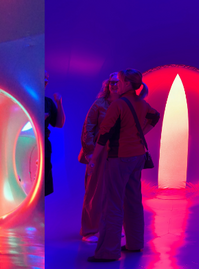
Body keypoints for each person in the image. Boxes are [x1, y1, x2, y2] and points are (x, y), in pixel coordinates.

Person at [88, 69, 160, 263]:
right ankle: (135, 243)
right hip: (137, 157)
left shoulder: (118, 104)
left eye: (119, 81)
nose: (116, 84)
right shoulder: (142, 103)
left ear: (128, 84)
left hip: (119, 157)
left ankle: (107, 252)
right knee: (134, 199)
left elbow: (104, 133)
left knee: (112, 203)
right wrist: (142, 132)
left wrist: (94, 158)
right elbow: (155, 116)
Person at [80, 75, 118, 242]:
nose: (115, 85)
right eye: (112, 82)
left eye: (119, 81)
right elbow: (88, 128)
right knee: (94, 191)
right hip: (99, 152)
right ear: (107, 85)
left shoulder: (124, 104)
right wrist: (90, 152)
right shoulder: (99, 104)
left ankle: (110, 226)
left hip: (118, 153)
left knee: (115, 191)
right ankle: (89, 231)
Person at [45, 70, 65, 195]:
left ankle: (40, 212)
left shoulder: (48, 102)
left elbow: (59, 124)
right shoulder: (24, 97)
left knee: (45, 182)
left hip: (45, 145)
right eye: (43, 78)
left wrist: (59, 103)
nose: (45, 81)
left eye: (46, 78)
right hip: (32, 143)